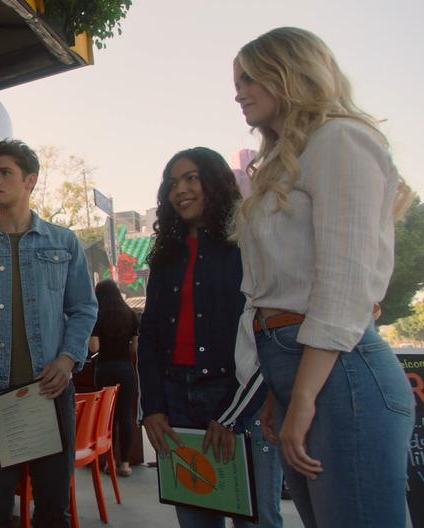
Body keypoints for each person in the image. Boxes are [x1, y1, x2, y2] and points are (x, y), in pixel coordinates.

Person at [230, 27, 413, 527]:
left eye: (249, 76)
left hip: (342, 374)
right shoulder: (291, 157)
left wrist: (304, 394)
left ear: (289, 71)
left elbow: (343, 282)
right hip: (299, 369)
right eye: (236, 80)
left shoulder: (340, 139)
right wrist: (278, 391)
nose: (238, 91)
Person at [0, 139, 97, 527]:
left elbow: (84, 308)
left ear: (29, 180)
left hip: (48, 393)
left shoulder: (63, 243)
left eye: (5, 173)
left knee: (52, 510)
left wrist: (67, 359)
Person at [138, 147, 283, 528]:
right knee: (195, 516)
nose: (180, 190)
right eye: (172, 183)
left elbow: (266, 330)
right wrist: (152, 407)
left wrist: (236, 411)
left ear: (215, 182)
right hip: (177, 405)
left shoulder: (247, 243)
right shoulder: (165, 256)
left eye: (191, 178)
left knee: (257, 518)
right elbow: (149, 335)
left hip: (240, 400)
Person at [88, 279, 139, 477]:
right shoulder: (131, 315)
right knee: (125, 414)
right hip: (126, 369)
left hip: (104, 370)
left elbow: (94, 348)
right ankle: (124, 464)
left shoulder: (97, 317)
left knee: (107, 417)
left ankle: (109, 462)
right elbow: (134, 347)